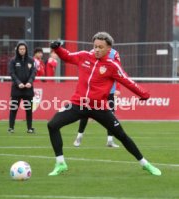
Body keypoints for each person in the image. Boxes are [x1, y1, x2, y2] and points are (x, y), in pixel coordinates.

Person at [47, 32, 161, 176]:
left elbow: (127, 80)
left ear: (109, 49)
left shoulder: (112, 65)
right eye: (95, 46)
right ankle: (60, 163)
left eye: (101, 47)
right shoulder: (84, 56)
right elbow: (67, 56)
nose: (97, 49)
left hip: (99, 108)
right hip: (78, 104)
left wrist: (144, 94)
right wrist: (57, 49)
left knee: (122, 136)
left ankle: (145, 164)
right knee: (52, 125)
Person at [73, 48, 121, 148]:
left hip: (109, 89)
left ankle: (110, 140)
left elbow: (118, 71)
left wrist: (118, 88)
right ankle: (79, 136)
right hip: (93, 90)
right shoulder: (92, 52)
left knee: (111, 114)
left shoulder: (114, 53)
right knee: (85, 112)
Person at [8, 41, 36, 133]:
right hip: (16, 89)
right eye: (20, 49)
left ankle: (29, 128)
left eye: (24, 49)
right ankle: (11, 127)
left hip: (28, 89)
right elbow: (12, 73)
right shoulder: (13, 61)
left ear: (26, 49)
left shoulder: (31, 60)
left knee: (29, 109)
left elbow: (33, 72)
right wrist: (18, 82)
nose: (22, 50)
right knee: (13, 109)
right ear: (17, 50)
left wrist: (30, 82)